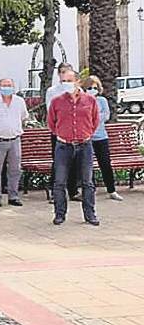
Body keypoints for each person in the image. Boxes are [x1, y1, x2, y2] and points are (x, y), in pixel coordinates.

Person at [47, 70, 100, 226]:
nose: (66, 84)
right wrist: (63, 134)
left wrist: (86, 133)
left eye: (69, 80)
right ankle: (59, 214)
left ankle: (90, 215)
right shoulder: (57, 101)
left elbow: (94, 121)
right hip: (64, 146)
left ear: (78, 82)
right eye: (63, 81)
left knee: (87, 182)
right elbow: (51, 123)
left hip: (84, 145)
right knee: (59, 182)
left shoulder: (90, 100)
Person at [0, 78, 29, 207]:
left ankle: (13, 196)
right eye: (4, 85)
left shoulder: (19, 102)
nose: (6, 87)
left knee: (15, 170)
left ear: (13, 86)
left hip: (15, 140)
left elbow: (23, 118)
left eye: (9, 85)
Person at [83, 75, 123, 201]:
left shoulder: (102, 101)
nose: (92, 89)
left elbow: (105, 116)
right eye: (89, 87)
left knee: (105, 164)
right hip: (87, 138)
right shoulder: (82, 100)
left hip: (101, 137)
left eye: (95, 87)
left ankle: (111, 190)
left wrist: (93, 118)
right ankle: (91, 190)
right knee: (88, 166)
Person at [45, 63, 77, 202]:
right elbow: (50, 111)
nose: (66, 75)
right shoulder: (52, 91)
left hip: (75, 133)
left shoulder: (77, 90)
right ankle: (55, 191)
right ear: (59, 74)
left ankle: (73, 191)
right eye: (63, 72)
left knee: (74, 162)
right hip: (59, 132)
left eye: (68, 72)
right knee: (58, 162)